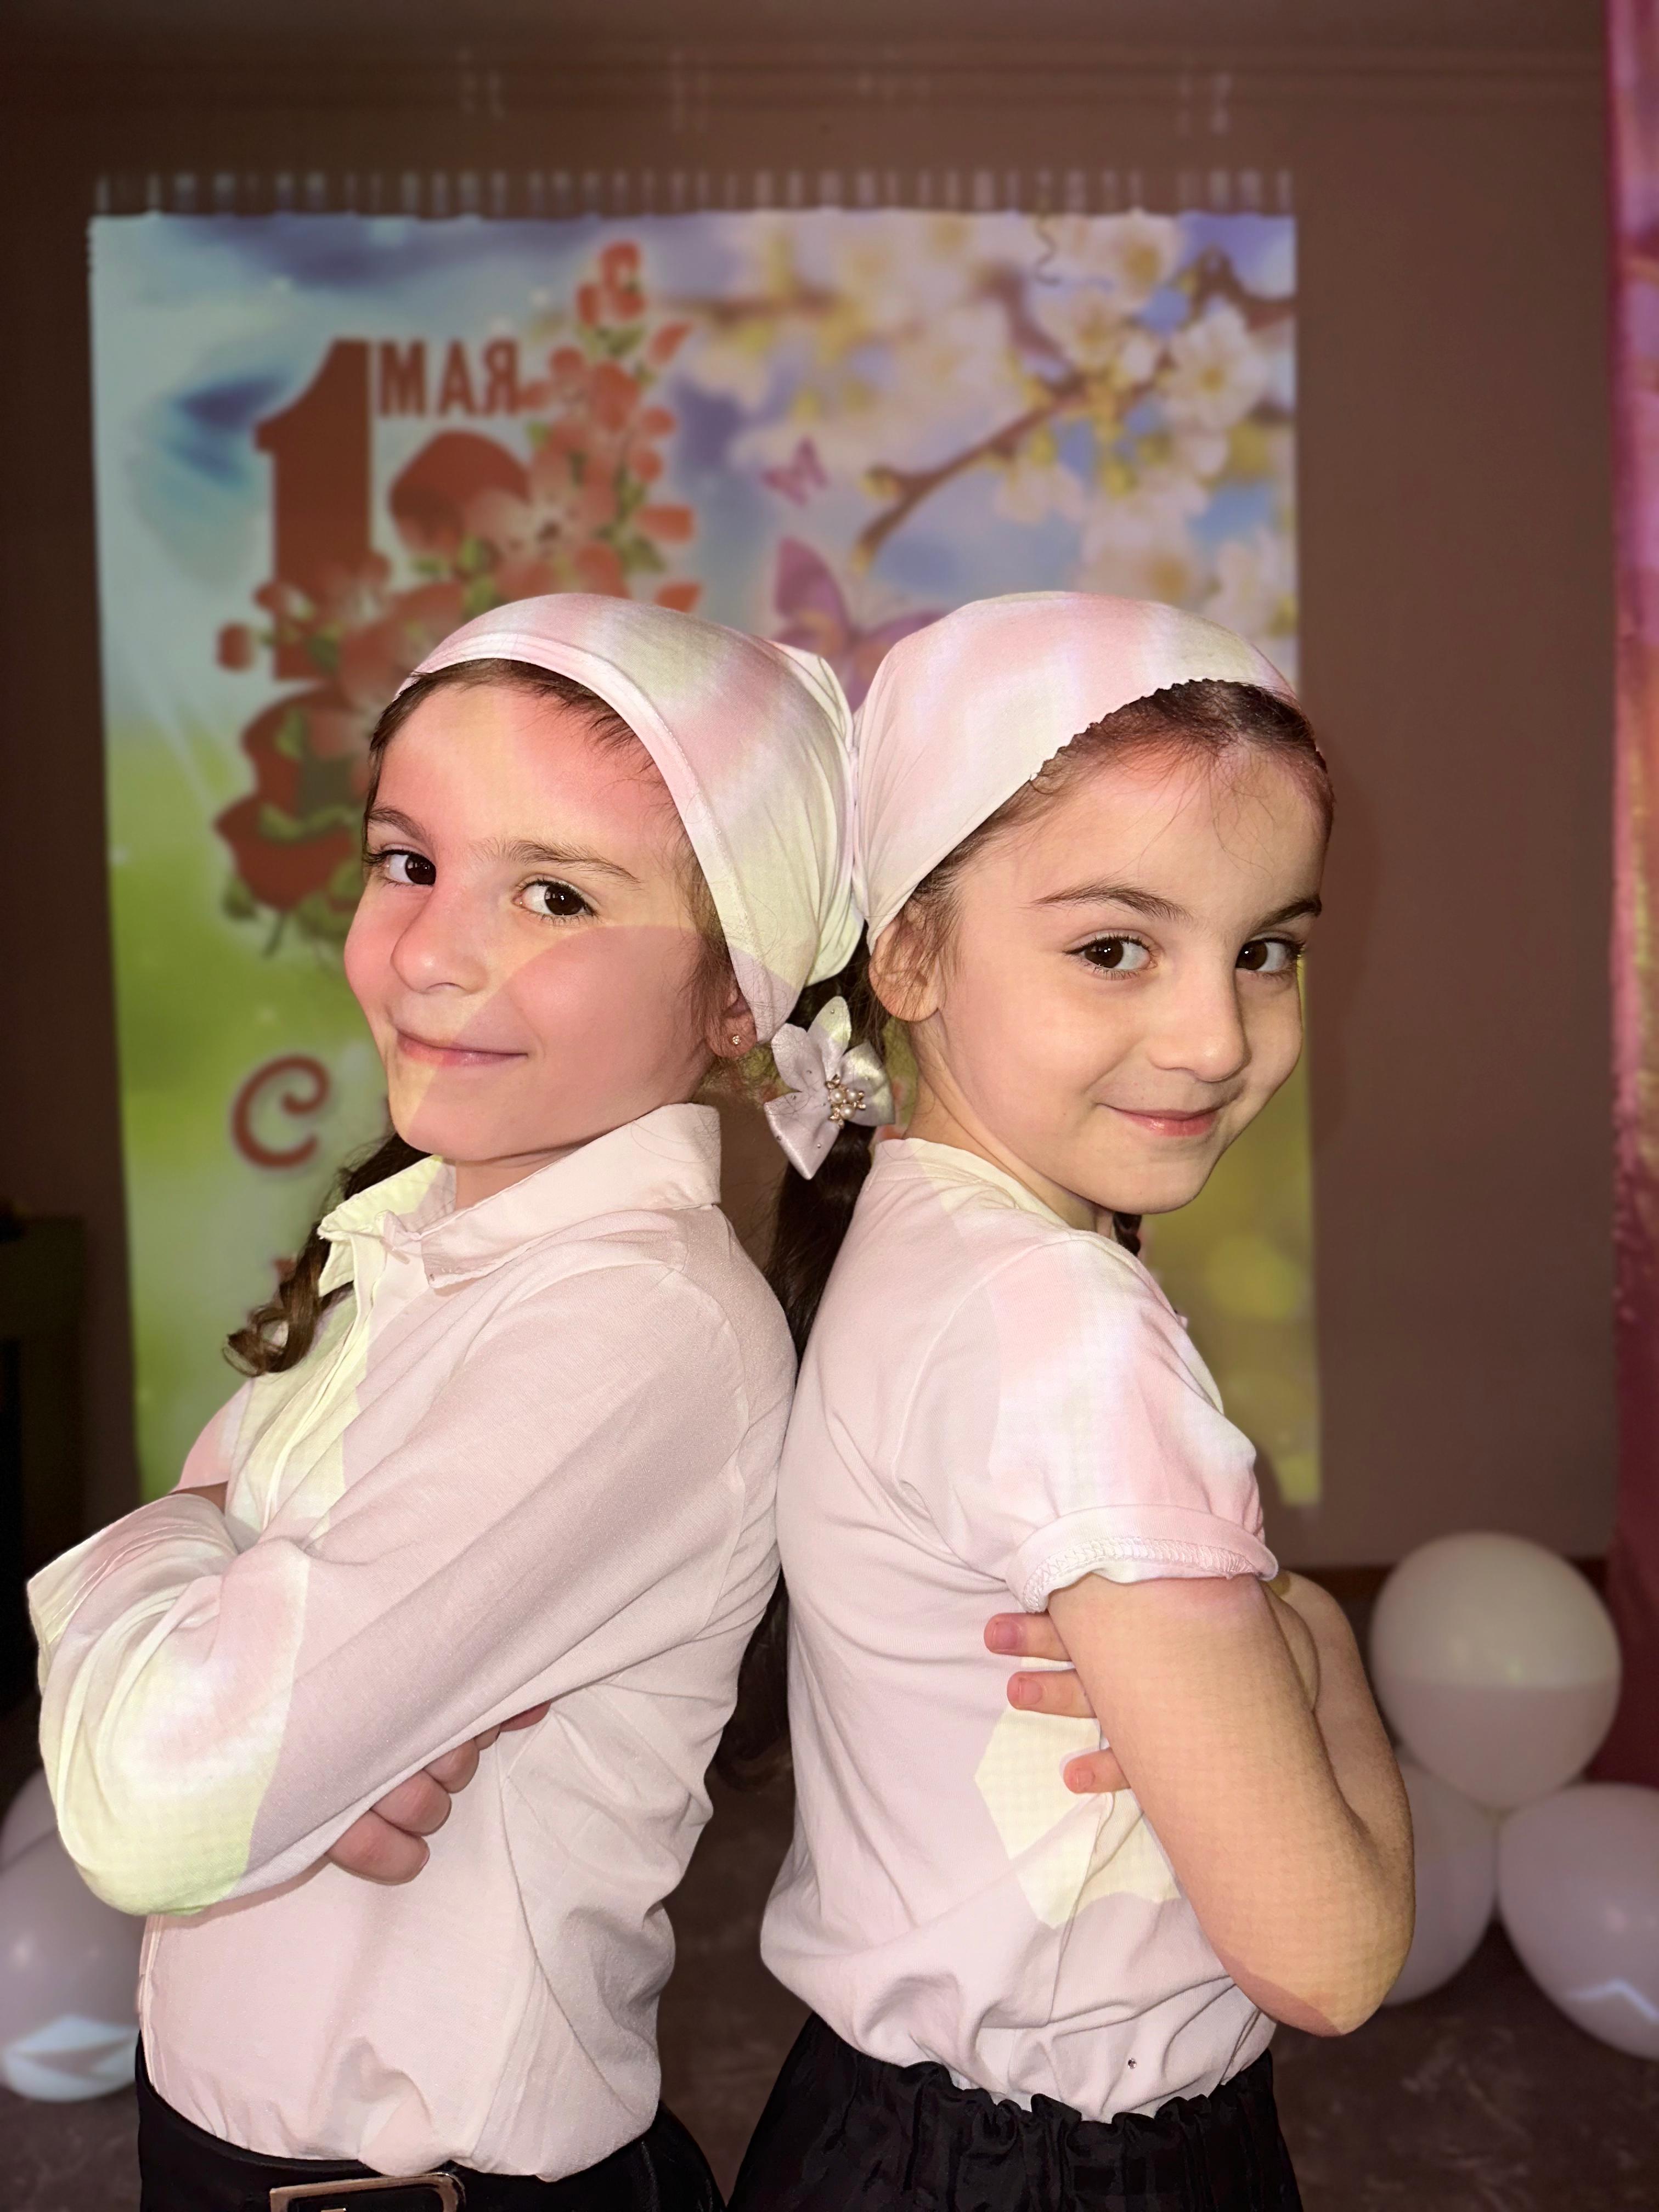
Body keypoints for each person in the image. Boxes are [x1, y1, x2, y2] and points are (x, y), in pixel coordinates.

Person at [29, 595, 861, 2212]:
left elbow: (154, 1807)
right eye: (408, 860)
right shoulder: (412, 1234)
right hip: (231, 2141)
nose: (426, 951)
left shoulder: (635, 1326)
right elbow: (213, 1777)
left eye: (555, 895)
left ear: (734, 1000)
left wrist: (182, 1537)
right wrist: (269, 1692)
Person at [730, 593, 1414, 2211]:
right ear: (909, 951)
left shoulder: (918, 1226)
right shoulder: (1065, 1331)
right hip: (1059, 2165)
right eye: (1116, 948)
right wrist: (1318, 1647)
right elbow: (1331, 1959)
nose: (1214, 1036)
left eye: (1266, 951)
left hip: (876, 2127)